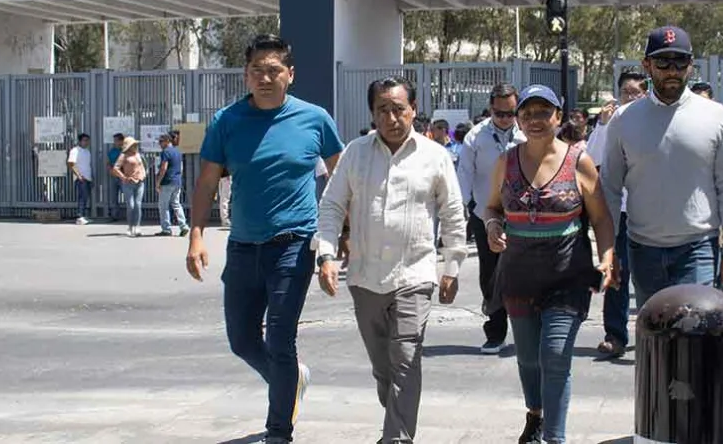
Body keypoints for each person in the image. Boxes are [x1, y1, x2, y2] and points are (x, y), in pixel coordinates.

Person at [184, 34, 345, 444]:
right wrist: (196, 235)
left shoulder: (314, 118)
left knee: (279, 336)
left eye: (274, 70)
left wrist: (338, 237)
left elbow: (343, 179)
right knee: (241, 339)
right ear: (246, 76)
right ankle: (290, 380)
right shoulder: (227, 121)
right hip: (242, 245)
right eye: (257, 70)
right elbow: (206, 182)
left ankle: (279, 431)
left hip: (294, 243)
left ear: (289, 74)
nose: (265, 77)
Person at [315, 76, 467, 444]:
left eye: (398, 108)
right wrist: (326, 254)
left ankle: (396, 438)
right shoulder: (355, 152)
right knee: (384, 369)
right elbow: (333, 205)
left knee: (405, 360)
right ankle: (396, 417)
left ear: (413, 110)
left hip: (415, 274)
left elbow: (452, 213)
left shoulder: (435, 156)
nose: (391, 117)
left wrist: (452, 266)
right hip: (365, 277)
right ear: (372, 113)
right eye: (382, 109)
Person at [480, 84, 617, 444]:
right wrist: (494, 226)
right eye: (527, 114)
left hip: (567, 278)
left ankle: (555, 438)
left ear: (558, 116)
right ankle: (535, 415)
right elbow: (491, 208)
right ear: (519, 120)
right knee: (528, 359)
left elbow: (601, 218)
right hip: (519, 277)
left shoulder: (579, 161)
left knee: (554, 356)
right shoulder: (506, 162)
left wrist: (607, 257)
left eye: (544, 112)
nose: (535, 120)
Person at [601, 26, 723, 306]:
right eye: (662, 62)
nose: (671, 70)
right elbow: (609, 187)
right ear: (647, 65)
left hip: (698, 247)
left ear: (691, 66)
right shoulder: (623, 120)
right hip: (642, 248)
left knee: (692, 331)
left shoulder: (715, 116)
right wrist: (608, 249)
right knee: (654, 333)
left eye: (679, 62)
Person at [457, 83, 526, 354]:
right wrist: (460, 209)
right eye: (500, 114)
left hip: (522, 216)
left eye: (511, 113)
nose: (506, 119)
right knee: (491, 276)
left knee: (523, 274)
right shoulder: (476, 137)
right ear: (490, 110)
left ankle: (525, 332)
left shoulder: (526, 135)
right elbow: (464, 174)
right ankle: (495, 333)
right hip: (485, 215)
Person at [586, 70, 647, 358]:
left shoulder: (652, 120)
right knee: (616, 272)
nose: (631, 97)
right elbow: (593, 158)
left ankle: (653, 334)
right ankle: (615, 334)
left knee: (649, 274)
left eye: (637, 92)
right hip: (618, 212)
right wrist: (602, 124)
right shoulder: (610, 123)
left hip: (648, 209)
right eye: (626, 92)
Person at [154, 132, 189, 237]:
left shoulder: (166, 152)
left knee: (163, 206)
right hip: (177, 182)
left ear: (167, 141)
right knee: (176, 204)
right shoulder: (178, 152)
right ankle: (184, 226)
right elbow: (181, 168)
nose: (160, 144)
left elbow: (164, 168)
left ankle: (166, 229)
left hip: (167, 182)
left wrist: (158, 182)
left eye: (161, 141)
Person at [110, 136, 146, 237]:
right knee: (131, 205)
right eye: (133, 144)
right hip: (128, 183)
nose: (135, 146)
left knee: (138, 205)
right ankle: (130, 227)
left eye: (136, 144)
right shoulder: (123, 155)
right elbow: (115, 168)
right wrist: (123, 177)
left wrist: (143, 175)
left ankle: (137, 227)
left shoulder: (138, 154)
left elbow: (144, 165)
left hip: (140, 182)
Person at [67, 133, 93, 225]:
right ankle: (79, 217)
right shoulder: (75, 150)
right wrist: (78, 175)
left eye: (87, 140)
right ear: (80, 141)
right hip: (81, 178)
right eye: (85, 140)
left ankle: (83, 216)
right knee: (82, 198)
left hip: (88, 178)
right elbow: (71, 163)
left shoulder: (87, 151)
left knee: (85, 198)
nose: (86, 142)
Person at [106, 133, 125, 222]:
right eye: (114, 141)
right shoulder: (112, 151)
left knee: (128, 195)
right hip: (114, 176)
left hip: (124, 176)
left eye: (116, 140)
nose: (114, 142)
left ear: (121, 141)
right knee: (113, 196)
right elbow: (108, 162)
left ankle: (131, 215)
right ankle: (114, 215)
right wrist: (110, 169)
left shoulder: (125, 151)